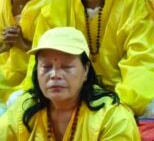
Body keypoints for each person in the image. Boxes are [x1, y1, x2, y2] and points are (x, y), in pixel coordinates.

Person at [0, 27, 140, 139]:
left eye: (66, 67)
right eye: (46, 67)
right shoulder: (25, 107)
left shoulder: (113, 118)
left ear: (86, 70)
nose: (54, 75)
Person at [0, 0, 48, 105]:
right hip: (6, 70)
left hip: (35, 74)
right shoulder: (1, 3)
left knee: (15, 103)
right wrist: (4, 46)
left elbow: (53, 53)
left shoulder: (47, 6)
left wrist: (22, 44)